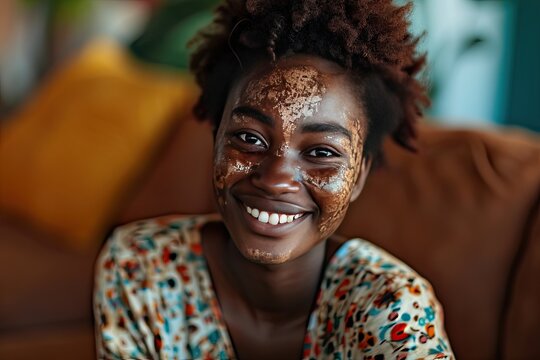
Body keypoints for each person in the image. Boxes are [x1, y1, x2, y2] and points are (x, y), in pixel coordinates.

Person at [93, 0, 455, 359]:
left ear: (358, 175)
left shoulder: (394, 308)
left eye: (321, 153)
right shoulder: (139, 266)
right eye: (250, 138)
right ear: (216, 140)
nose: (275, 179)